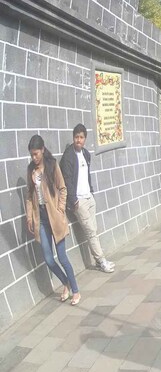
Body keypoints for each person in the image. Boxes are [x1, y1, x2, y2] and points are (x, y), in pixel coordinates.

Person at [25, 135, 80, 305]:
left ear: (42, 150)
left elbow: (63, 188)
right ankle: (66, 283)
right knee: (49, 259)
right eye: (31, 155)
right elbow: (29, 194)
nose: (34, 158)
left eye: (36, 154)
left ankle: (76, 290)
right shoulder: (31, 170)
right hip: (40, 219)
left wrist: (60, 209)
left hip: (54, 217)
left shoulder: (52, 165)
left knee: (62, 257)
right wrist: (29, 217)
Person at [59, 124, 114, 273]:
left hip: (89, 198)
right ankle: (102, 261)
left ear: (85, 139)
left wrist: (91, 192)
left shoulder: (86, 154)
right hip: (79, 201)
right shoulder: (68, 156)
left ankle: (97, 261)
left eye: (81, 137)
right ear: (73, 138)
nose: (78, 140)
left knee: (94, 230)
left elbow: (86, 175)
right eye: (76, 137)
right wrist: (73, 200)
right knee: (91, 231)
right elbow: (67, 180)